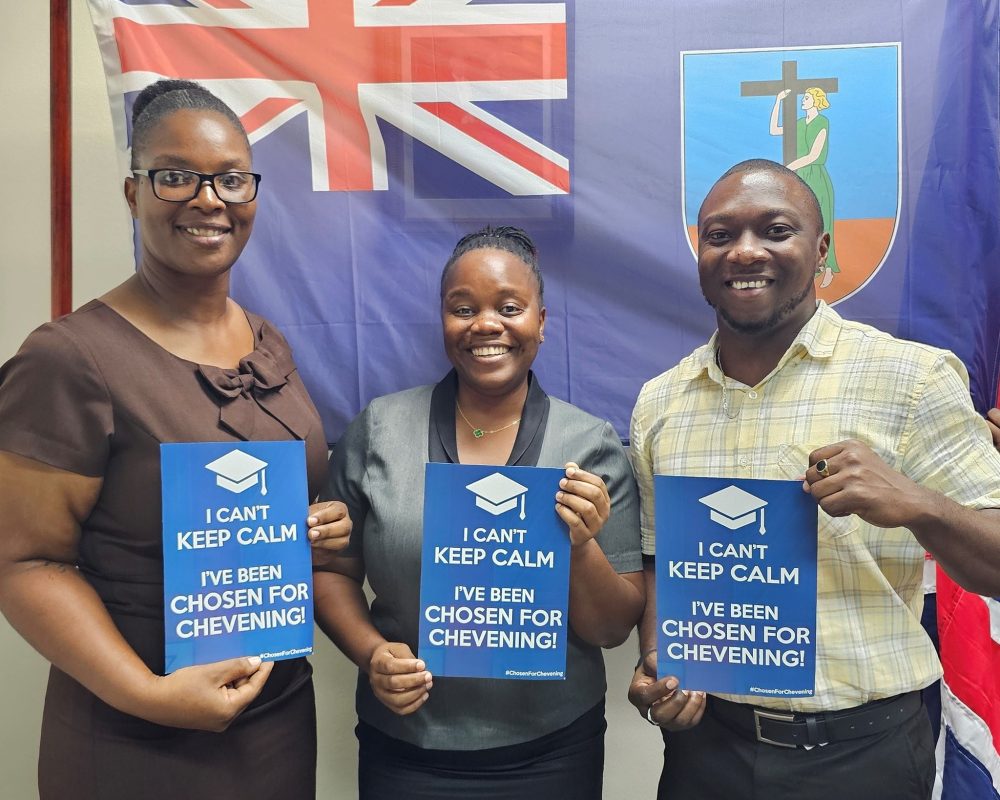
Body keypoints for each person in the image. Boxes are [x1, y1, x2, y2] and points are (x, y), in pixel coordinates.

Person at [0, 80, 350, 799]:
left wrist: (314, 529)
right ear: (134, 194)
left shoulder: (266, 340)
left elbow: (264, 503)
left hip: (277, 721)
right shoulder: (70, 359)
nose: (208, 199)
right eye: (176, 176)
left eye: (230, 179)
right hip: (135, 731)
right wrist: (149, 694)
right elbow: (23, 562)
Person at [627, 159, 1000, 800]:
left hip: (865, 756)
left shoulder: (912, 379)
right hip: (707, 754)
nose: (745, 251)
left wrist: (918, 504)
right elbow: (661, 560)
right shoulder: (660, 403)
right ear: (700, 253)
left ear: (821, 250)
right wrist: (660, 663)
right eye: (720, 235)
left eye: (775, 230)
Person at [314, 225, 644, 799]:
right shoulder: (381, 428)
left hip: (552, 750)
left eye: (510, 308)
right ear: (443, 320)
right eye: (463, 308)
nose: (486, 325)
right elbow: (329, 570)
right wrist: (372, 654)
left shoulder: (589, 444)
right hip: (407, 749)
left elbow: (612, 629)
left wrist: (580, 546)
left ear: (541, 321)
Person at [771, 87, 840, 288]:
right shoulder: (800, 123)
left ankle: (828, 268)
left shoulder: (822, 122)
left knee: (824, 221)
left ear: (816, 101)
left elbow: (814, 155)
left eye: (807, 97)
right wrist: (778, 101)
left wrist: (789, 167)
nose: (803, 100)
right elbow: (774, 129)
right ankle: (809, 267)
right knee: (800, 221)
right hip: (800, 177)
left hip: (816, 176)